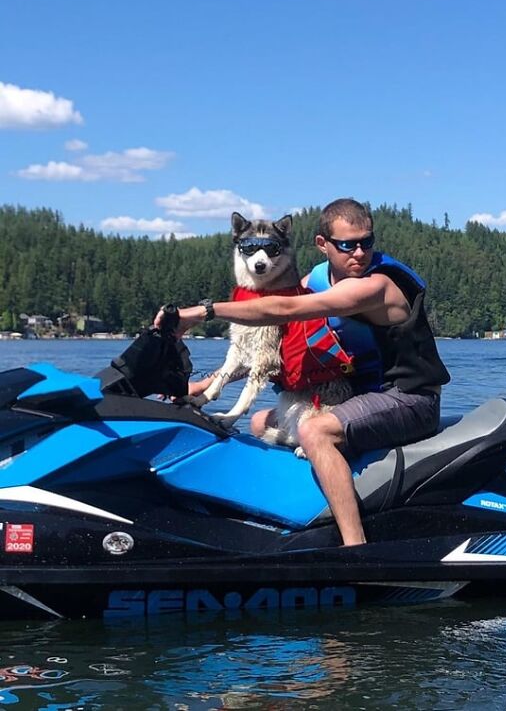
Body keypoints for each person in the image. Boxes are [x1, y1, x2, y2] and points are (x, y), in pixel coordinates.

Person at [155, 198, 450, 546]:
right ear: (323, 245)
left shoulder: (377, 285)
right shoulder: (317, 280)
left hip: (408, 399)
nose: (359, 253)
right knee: (260, 424)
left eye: (366, 242)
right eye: (347, 245)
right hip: (359, 396)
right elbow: (271, 345)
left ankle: (355, 548)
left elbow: (285, 308)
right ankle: (300, 518)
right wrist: (200, 386)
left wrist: (201, 312)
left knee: (314, 431)